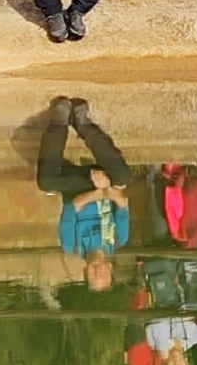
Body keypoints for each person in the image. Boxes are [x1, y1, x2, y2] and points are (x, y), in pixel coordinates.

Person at [40, 96, 130, 293]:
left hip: (77, 187)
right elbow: (123, 203)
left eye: (93, 276)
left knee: (46, 182)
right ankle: (83, 124)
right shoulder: (118, 238)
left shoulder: (71, 245)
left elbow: (73, 206)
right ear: (111, 268)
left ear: (85, 271)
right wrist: (107, 188)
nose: (97, 271)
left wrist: (99, 191)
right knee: (122, 177)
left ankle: (59, 122)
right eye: (103, 274)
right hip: (103, 186)